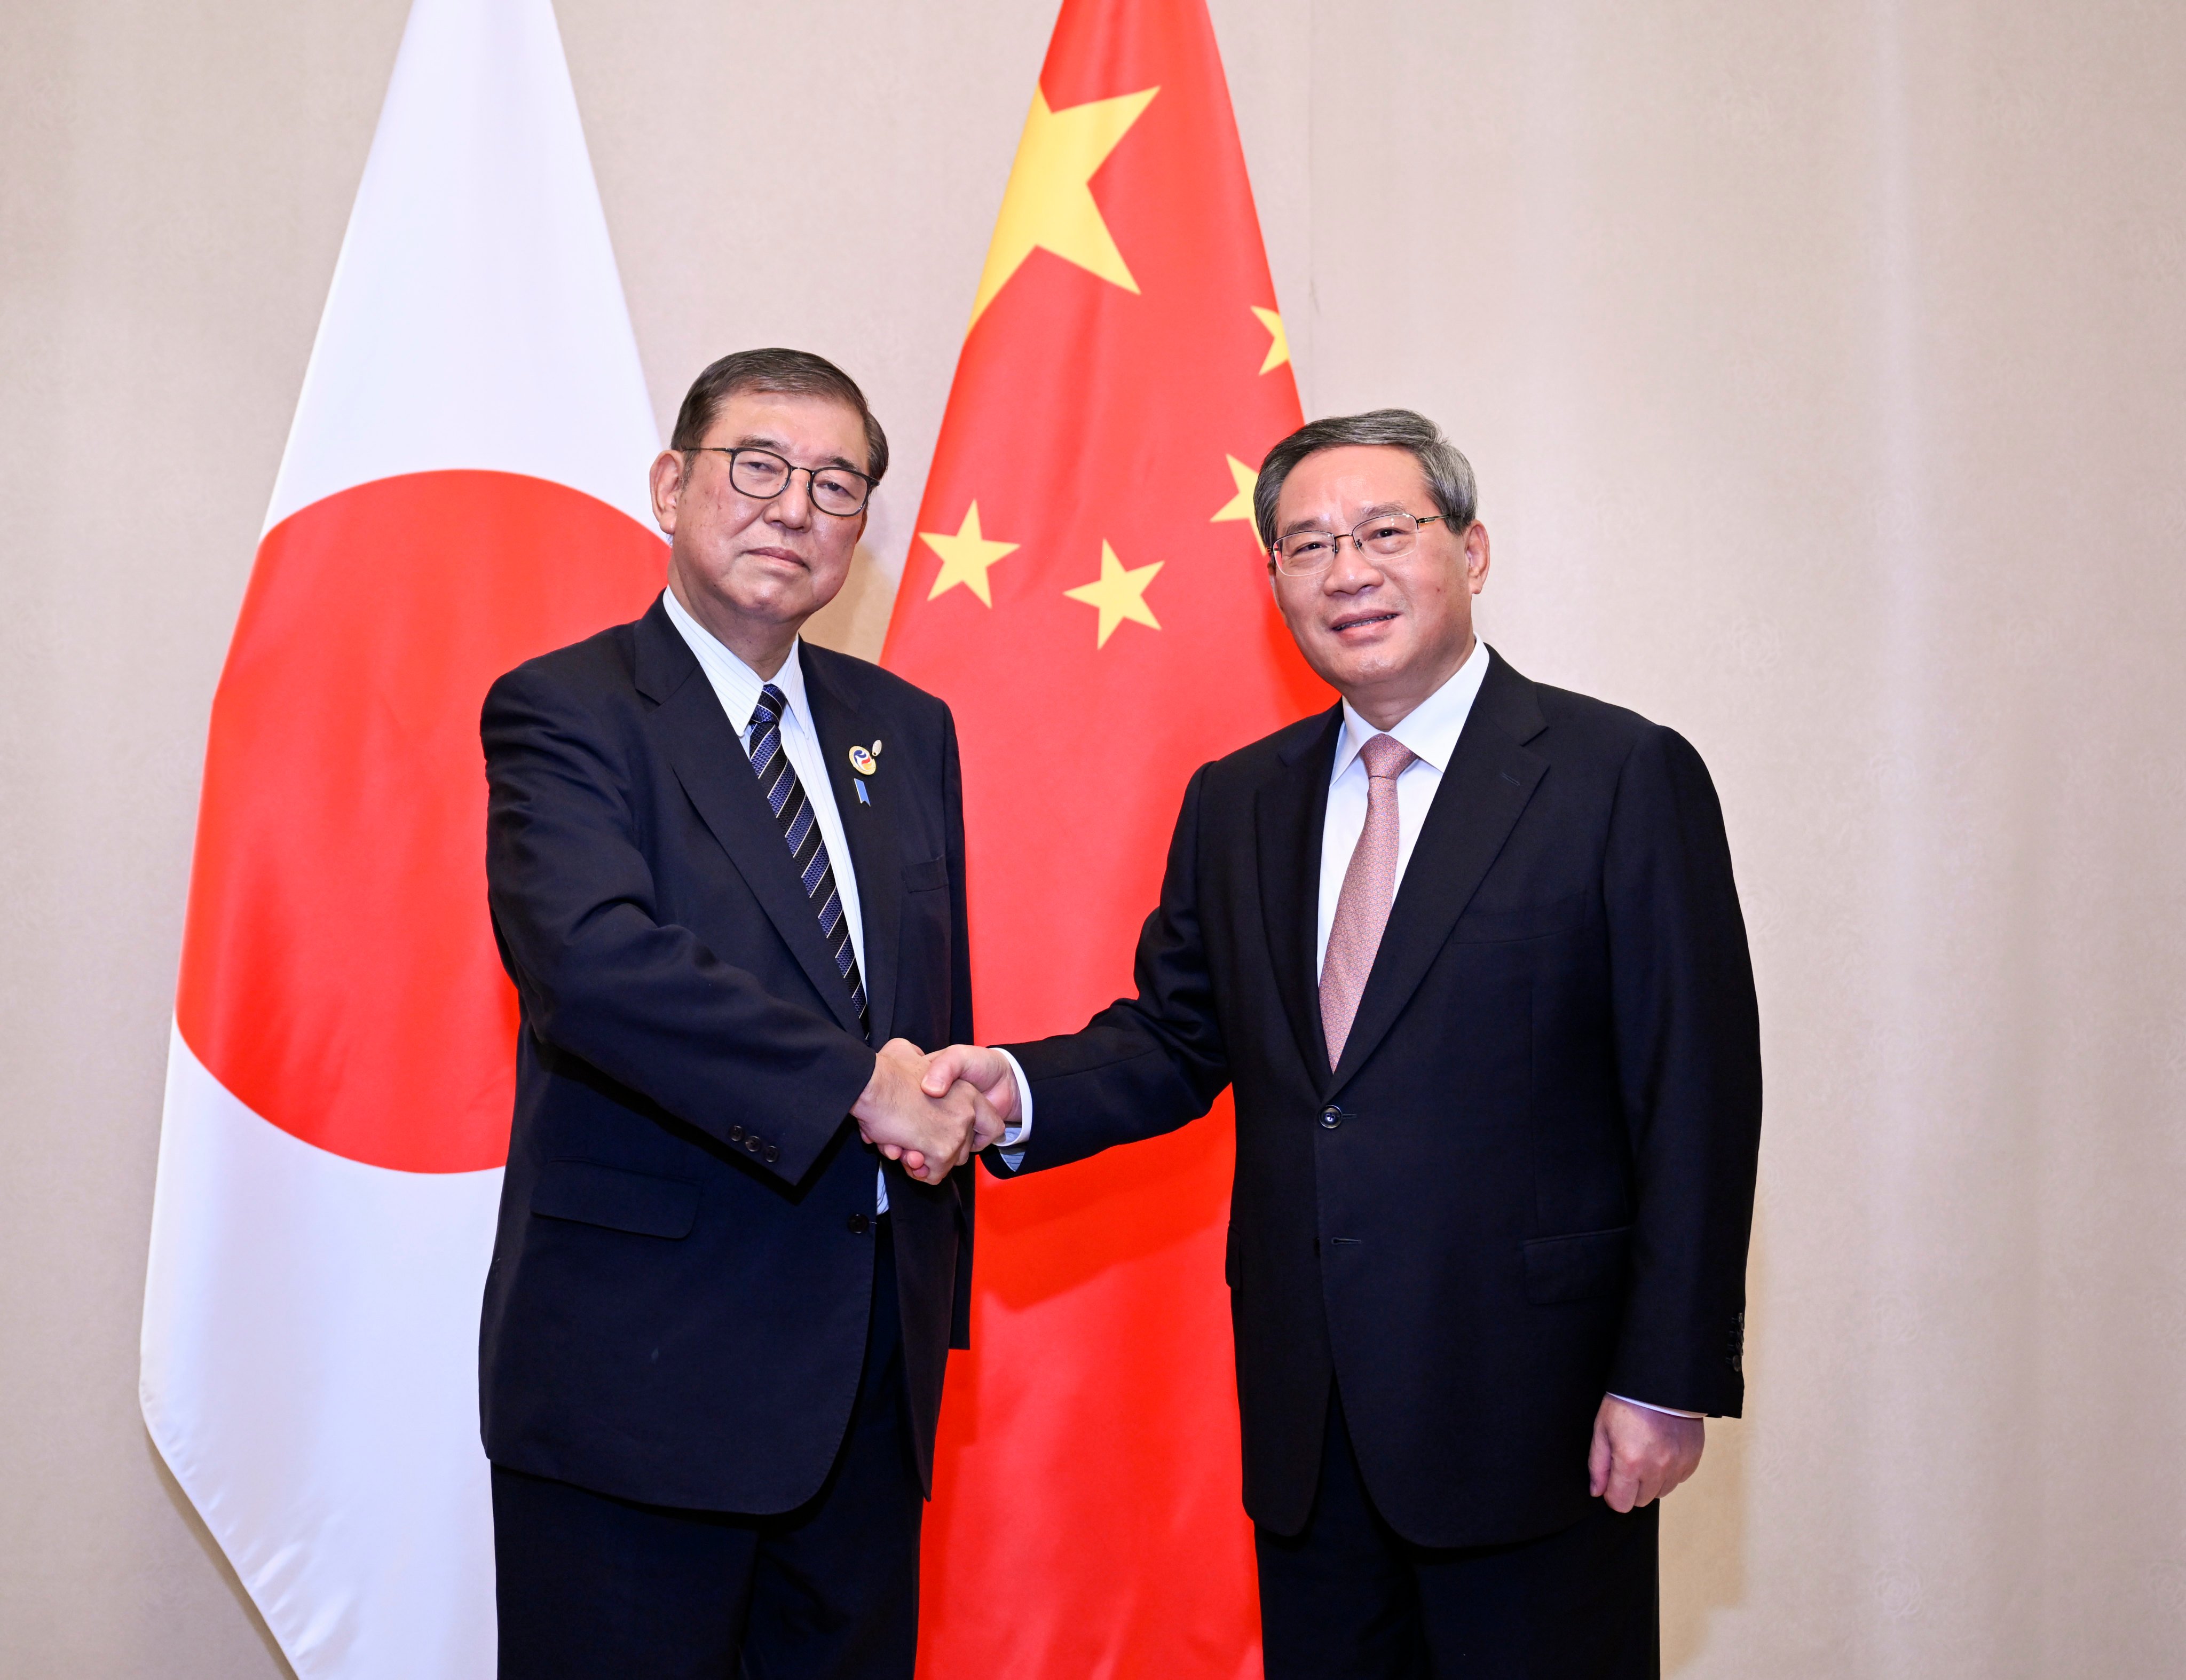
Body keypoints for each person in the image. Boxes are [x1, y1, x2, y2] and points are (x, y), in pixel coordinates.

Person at [922, 409, 1763, 1679]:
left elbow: (1694, 1093)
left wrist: (1663, 1376)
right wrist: (1018, 1086)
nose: (1345, 571)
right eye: (1305, 545)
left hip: (1539, 1416)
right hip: (1309, 1424)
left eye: (1384, 531)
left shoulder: (1617, 775)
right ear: (1273, 583)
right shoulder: (1237, 798)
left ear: (1470, 550)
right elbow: (1176, 1034)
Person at [478, 348, 1001, 1679]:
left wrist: (948, 1120)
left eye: (835, 483)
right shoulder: (569, 707)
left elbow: (922, 1004)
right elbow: (592, 963)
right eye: (755, 466)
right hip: (643, 1376)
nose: (792, 506)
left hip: (868, 1380)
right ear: (671, 484)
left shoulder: (907, 725)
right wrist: (854, 1083)